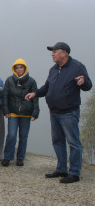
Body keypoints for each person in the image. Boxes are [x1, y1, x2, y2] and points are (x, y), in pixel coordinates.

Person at [25, 42, 92, 183]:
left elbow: (88, 85)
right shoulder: (53, 69)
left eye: (55, 51)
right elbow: (46, 87)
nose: (52, 54)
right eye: (52, 51)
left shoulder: (77, 67)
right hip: (54, 111)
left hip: (69, 112)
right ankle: (61, 169)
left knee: (73, 142)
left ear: (64, 53)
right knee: (57, 141)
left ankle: (74, 173)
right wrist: (35, 93)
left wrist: (83, 82)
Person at [1, 59, 39, 167]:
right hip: (13, 113)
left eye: (21, 67)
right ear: (14, 69)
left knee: (23, 136)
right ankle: (7, 157)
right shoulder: (9, 80)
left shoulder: (32, 81)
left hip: (26, 113)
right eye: (17, 67)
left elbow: (35, 98)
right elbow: (5, 96)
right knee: (11, 135)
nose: (19, 70)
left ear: (25, 68)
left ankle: (20, 158)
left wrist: (35, 113)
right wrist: (6, 110)